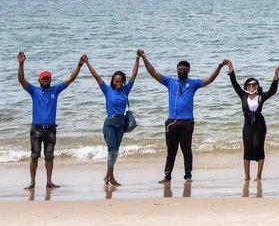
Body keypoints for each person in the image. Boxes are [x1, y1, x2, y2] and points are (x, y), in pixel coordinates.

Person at [139, 50, 226, 183]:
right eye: (180, 69)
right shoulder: (169, 82)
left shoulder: (193, 84)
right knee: (171, 151)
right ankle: (167, 176)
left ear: (188, 71)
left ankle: (188, 176)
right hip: (171, 122)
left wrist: (219, 67)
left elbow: (209, 80)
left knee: (186, 150)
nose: (182, 71)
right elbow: (153, 73)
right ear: (177, 70)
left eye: (185, 69)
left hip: (187, 122)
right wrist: (144, 58)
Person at [16, 52, 83, 190]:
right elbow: (22, 81)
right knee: (34, 156)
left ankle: (49, 182)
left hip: (50, 129)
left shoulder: (55, 90)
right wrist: (21, 64)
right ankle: (32, 182)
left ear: (50, 80)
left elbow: (71, 79)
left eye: (48, 79)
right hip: (36, 129)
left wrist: (80, 64)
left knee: (49, 157)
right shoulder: (34, 91)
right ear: (39, 80)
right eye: (44, 79)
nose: (46, 81)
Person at [83, 53, 140, 186]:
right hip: (110, 123)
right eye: (116, 81)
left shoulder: (126, 91)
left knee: (115, 151)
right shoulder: (107, 90)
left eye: (120, 81)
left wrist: (138, 58)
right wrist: (86, 63)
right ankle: (110, 177)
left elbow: (134, 74)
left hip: (121, 123)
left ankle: (107, 177)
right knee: (112, 151)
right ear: (112, 81)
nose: (118, 83)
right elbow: (96, 76)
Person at [225, 60, 279, 181]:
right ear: (246, 87)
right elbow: (234, 83)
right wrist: (230, 68)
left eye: (254, 84)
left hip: (260, 124)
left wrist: (276, 75)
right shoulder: (243, 95)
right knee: (247, 148)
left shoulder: (262, 96)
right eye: (249, 85)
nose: (251, 86)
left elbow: (273, 90)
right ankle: (247, 176)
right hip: (247, 125)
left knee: (259, 147)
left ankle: (259, 176)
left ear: (257, 85)